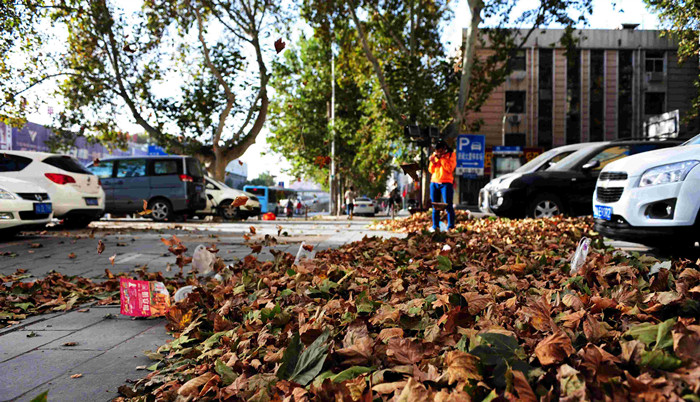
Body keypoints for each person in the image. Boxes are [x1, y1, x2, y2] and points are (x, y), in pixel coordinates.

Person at [428, 140, 456, 231]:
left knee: (448, 205)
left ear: (444, 149)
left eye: (440, 151)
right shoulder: (434, 156)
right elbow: (431, 170)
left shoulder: (451, 155)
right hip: (434, 182)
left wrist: (442, 158)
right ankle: (435, 226)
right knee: (435, 206)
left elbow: (449, 169)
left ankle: (450, 226)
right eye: (436, 151)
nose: (437, 153)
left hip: (446, 182)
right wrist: (433, 161)